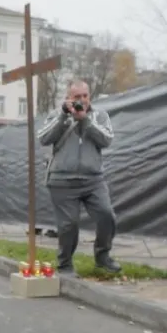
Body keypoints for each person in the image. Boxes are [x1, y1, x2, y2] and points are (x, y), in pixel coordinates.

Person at [37, 79, 119, 274]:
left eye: (85, 96)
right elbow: (43, 138)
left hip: (93, 180)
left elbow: (107, 139)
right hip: (62, 181)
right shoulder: (57, 115)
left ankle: (102, 256)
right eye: (76, 97)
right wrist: (64, 118)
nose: (81, 100)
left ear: (89, 97)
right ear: (68, 98)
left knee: (106, 215)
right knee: (69, 225)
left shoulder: (100, 116)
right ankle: (65, 264)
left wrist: (86, 120)